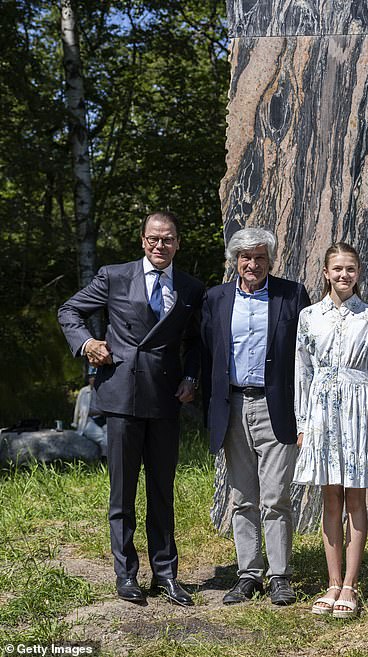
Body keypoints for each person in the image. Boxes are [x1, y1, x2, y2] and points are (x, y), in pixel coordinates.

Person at [58, 211, 204, 606]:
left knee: (162, 491)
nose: (161, 246)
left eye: (168, 239)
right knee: (122, 493)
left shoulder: (191, 287)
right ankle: (126, 575)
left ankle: (166, 575)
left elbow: (196, 343)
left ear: (178, 243)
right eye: (154, 239)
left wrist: (191, 379)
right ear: (143, 240)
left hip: (165, 400)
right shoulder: (115, 276)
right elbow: (68, 311)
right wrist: (88, 344)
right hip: (121, 395)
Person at [201, 227, 310, 606]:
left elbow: (306, 353)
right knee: (241, 497)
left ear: (271, 260)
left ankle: (280, 576)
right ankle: (248, 574)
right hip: (231, 406)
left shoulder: (292, 294)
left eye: (260, 258)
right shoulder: (216, 298)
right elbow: (206, 353)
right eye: (245, 258)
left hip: (276, 407)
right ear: (235, 261)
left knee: (276, 497)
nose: (252, 264)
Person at [294, 243, 368, 618]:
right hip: (320, 410)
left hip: (358, 408)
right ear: (325, 272)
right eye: (337, 269)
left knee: (355, 499)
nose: (344, 275)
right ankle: (331, 583)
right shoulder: (309, 316)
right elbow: (301, 372)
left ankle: (351, 585)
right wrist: (302, 424)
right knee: (329, 498)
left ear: (358, 273)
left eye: (350, 269)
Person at [72, 365, 107, 457]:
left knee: (108, 437)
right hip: (88, 420)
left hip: (104, 420)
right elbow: (77, 408)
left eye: (95, 377)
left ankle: (106, 459)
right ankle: (104, 459)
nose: (93, 379)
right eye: (91, 377)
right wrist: (75, 423)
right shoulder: (84, 391)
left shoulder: (105, 390)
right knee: (101, 437)